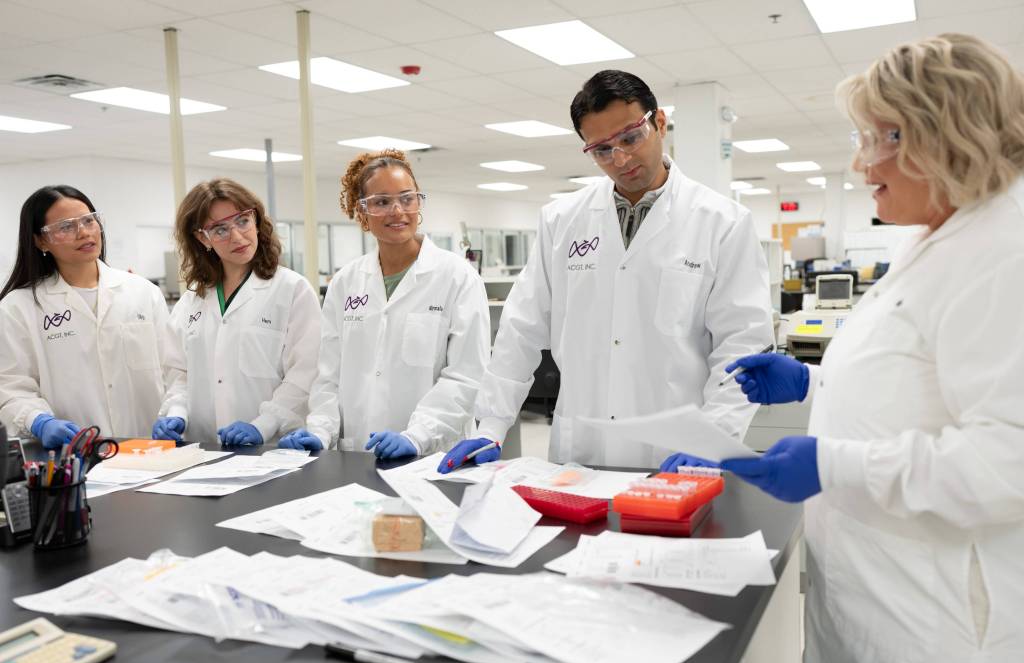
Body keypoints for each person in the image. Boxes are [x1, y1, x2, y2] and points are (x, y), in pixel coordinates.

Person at [664, 34, 1024, 663]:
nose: (862, 163)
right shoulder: (940, 236)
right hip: (872, 596)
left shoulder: (1004, 252)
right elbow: (915, 378)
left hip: (937, 633)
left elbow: (1008, 459)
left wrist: (834, 463)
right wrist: (811, 381)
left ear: (948, 134)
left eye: (881, 137)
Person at [440, 69, 774, 473]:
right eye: (601, 149)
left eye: (631, 137)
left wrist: (715, 435)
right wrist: (491, 423)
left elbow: (743, 345)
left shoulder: (722, 222)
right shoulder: (561, 220)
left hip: (676, 449)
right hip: (582, 446)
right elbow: (521, 329)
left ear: (660, 122)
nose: (620, 159)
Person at [279, 150, 490, 457]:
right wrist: (320, 430)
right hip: (358, 452)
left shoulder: (457, 277)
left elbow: (466, 375)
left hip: (433, 453)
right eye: (381, 202)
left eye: (407, 198)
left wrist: (418, 435)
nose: (397, 211)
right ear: (362, 213)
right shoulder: (345, 282)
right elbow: (329, 375)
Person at [0, 185, 186, 447]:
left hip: (150, 449)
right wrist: (39, 420)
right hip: (77, 454)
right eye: (66, 226)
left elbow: (175, 369)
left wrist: (176, 410)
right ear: (40, 241)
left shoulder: (142, 292)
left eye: (89, 220)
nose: (84, 232)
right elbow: (10, 387)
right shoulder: (20, 307)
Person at [158, 179, 320, 446]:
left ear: (256, 220)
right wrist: (176, 411)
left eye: (242, 221)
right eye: (219, 229)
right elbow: (180, 372)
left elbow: (304, 373)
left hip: (272, 449)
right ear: (202, 238)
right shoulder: (192, 302)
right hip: (203, 449)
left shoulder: (292, 290)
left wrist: (263, 425)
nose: (236, 236)